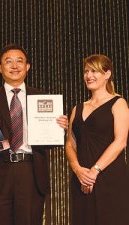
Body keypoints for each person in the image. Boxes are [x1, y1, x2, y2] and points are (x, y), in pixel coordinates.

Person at [0, 43, 68, 225]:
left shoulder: (42, 97)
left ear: (27, 66)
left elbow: (48, 139)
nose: (14, 66)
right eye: (8, 62)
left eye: (19, 61)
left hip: (31, 172)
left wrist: (60, 128)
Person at [65, 54, 129, 225]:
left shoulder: (118, 102)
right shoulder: (77, 108)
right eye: (86, 71)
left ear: (107, 74)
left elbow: (121, 141)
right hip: (81, 179)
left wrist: (94, 171)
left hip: (109, 177)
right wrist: (78, 170)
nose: (89, 75)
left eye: (94, 71)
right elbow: (70, 143)